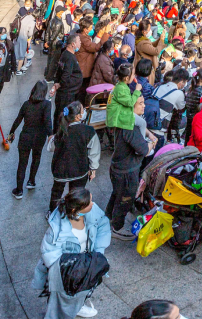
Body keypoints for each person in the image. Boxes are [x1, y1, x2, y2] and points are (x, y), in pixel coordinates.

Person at [35, 187, 111, 319]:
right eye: (89, 202)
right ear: (76, 210)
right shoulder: (56, 230)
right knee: (60, 301)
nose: (93, 204)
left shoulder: (93, 211)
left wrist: (98, 254)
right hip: (67, 271)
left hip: (86, 263)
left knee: (84, 289)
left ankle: (78, 306)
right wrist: (71, 271)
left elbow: (103, 225)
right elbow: (50, 255)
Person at [107, 98, 155, 240]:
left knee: (117, 193)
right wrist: (152, 143)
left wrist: (148, 134)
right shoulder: (130, 127)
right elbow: (144, 150)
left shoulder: (123, 119)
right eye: (140, 103)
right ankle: (117, 227)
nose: (144, 105)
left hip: (118, 167)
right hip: (126, 171)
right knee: (125, 199)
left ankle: (107, 217)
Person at [48, 101, 99, 213]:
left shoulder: (61, 130)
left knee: (56, 192)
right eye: (82, 111)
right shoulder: (89, 131)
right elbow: (94, 152)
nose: (84, 112)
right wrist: (93, 169)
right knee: (76, 193)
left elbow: (50, 147)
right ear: (77, 117)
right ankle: (72, 212)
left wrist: (51, 138)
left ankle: (52, 212)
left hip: (60, 170)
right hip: (80, 171)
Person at [11, 80, 54, 199]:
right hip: (39, 138)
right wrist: (50, 134)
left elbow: (17, 120)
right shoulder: (47, 104)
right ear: (44, 92)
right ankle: (31, 181)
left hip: (25, 137)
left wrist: (11, 133)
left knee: (22, 163)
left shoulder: (26, 104)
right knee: (36, 158)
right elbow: (47, 121)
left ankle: (19, 190)